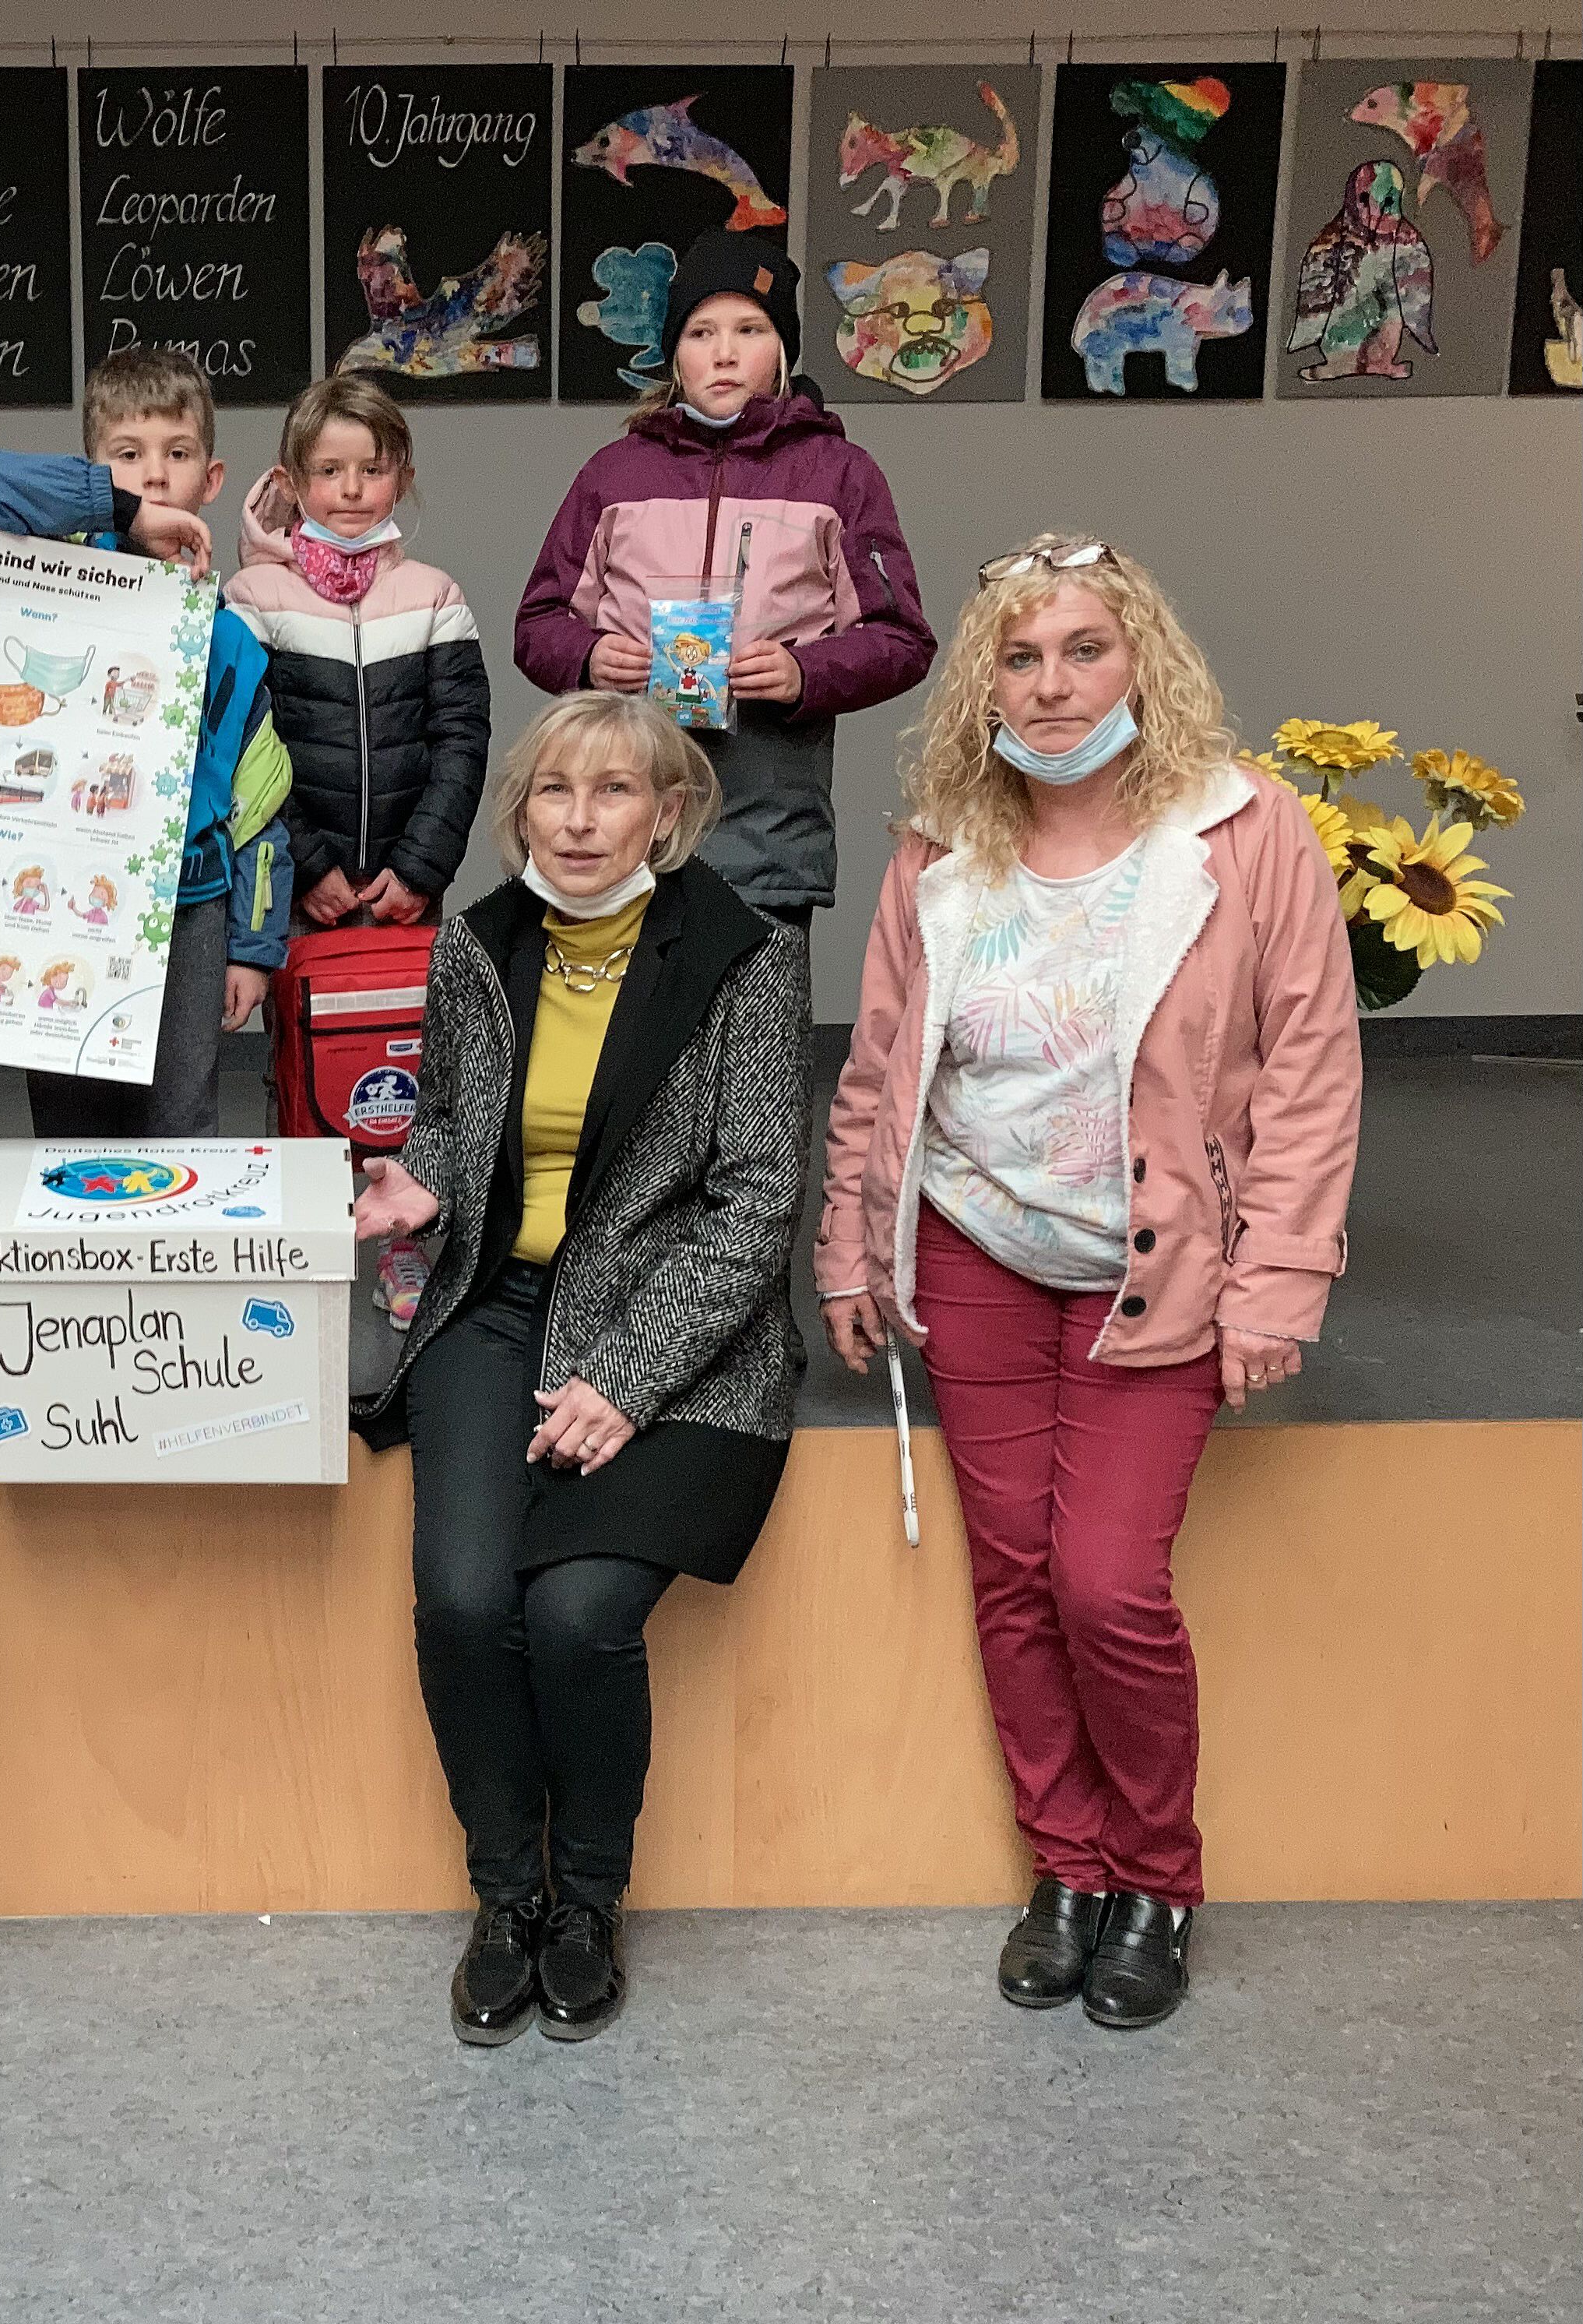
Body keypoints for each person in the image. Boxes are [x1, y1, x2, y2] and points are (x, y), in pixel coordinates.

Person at [818, 535, 1361, 2030]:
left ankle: (1155, 1875)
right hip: (973, 1248)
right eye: (1018, 656)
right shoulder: (941, 835)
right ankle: (1063, 1867)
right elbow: (879, 1060)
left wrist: (1276, 1283)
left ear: (1143, 664)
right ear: (981, 681)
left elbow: (1310, 1070)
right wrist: (850, 1242)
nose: (1050, 686)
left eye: (1082, 651)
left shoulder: (1244, 831)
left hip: (1159, 1266)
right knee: (1008, 1577)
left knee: (1102, 1579)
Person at [352, 690, 811, 2047]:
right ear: (521, 809)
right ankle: (504, 1896)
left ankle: (588, 1902)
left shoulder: (744, 956)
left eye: (613, 792)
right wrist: (416, 1190)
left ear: (667, 812)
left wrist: (626, 1376)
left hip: (681, 1338)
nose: (579, 818)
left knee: (575, 1617)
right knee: (460, 1598)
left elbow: (752, 1201)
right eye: (554, 790)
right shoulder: (479, 940)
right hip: (496, 1307)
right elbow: (449, 1118)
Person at [515, 229, 937, 925]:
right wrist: (589, 657)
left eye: (750, 328)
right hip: (622, 826)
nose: (724, 351)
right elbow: (536, 626)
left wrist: (805, 674)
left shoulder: (840, 474)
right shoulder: (613, 474)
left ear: (783, 350)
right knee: (622, 1032)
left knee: (757, 1031)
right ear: (673, 356)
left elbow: (902, 640)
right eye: (700, 332)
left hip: (769, 824)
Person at [0, 345, 294, 1136]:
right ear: (93, 468)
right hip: (60, 896)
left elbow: (258, 809)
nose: (152, 474)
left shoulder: (233, 643)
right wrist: (113, 509)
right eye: (126, 455)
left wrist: (252, 949)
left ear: (209, 481)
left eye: (176, 455)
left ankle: (173, 1266)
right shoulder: (50, 577)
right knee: (72, 1125)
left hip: (190, 909)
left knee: (181, 1115)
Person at [223, 371, 491, 1326]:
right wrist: (312, 866)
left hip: (407, 894)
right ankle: (295, 1240)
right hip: (303, 892)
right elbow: (244, 746)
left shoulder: (434, 596)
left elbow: (462, 740)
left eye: (369, 470)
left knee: (409, 1070)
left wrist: (419, 869)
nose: (348, 489)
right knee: (300, 1063)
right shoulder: (252, 595)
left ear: (400, 476)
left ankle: (405, 1244)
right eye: (327, 469)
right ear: (292, 477)